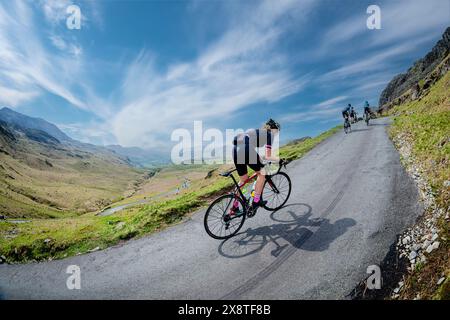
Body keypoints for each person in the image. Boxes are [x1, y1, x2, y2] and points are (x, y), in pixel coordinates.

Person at [231, 119, 281, 214]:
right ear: (273, 129)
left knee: (243, 179)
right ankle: (256, 201)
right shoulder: (269, 134)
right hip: (246, 149)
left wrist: (259, 159)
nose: (277, 134)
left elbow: (250, 148)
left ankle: (235, 206)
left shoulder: (256, 132)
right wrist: (279, 159)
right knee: (262, 174)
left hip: (235, 150)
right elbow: (268, 155)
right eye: (277, 131)